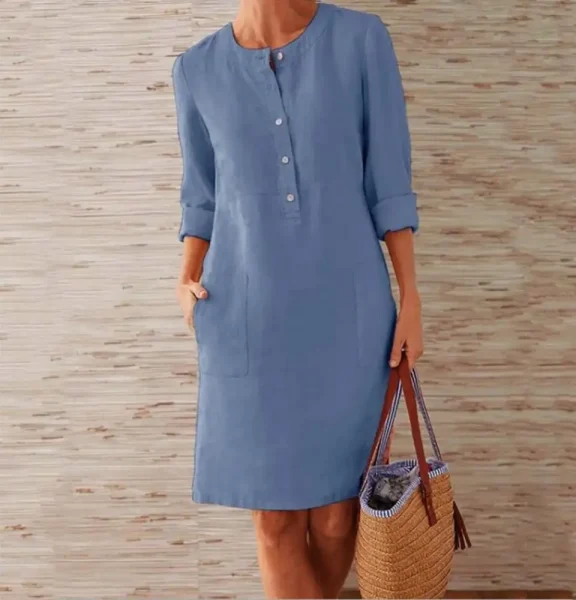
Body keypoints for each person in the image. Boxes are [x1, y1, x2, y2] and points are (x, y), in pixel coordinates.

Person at [171, 1, 423, 597]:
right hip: (246, 315)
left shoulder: (360, 40)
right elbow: (201, 197)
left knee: (338, 517)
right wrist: (186, 277)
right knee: (274, 521)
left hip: (349, 313)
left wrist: (411, 296)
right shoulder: (196, 69)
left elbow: (389, 179)